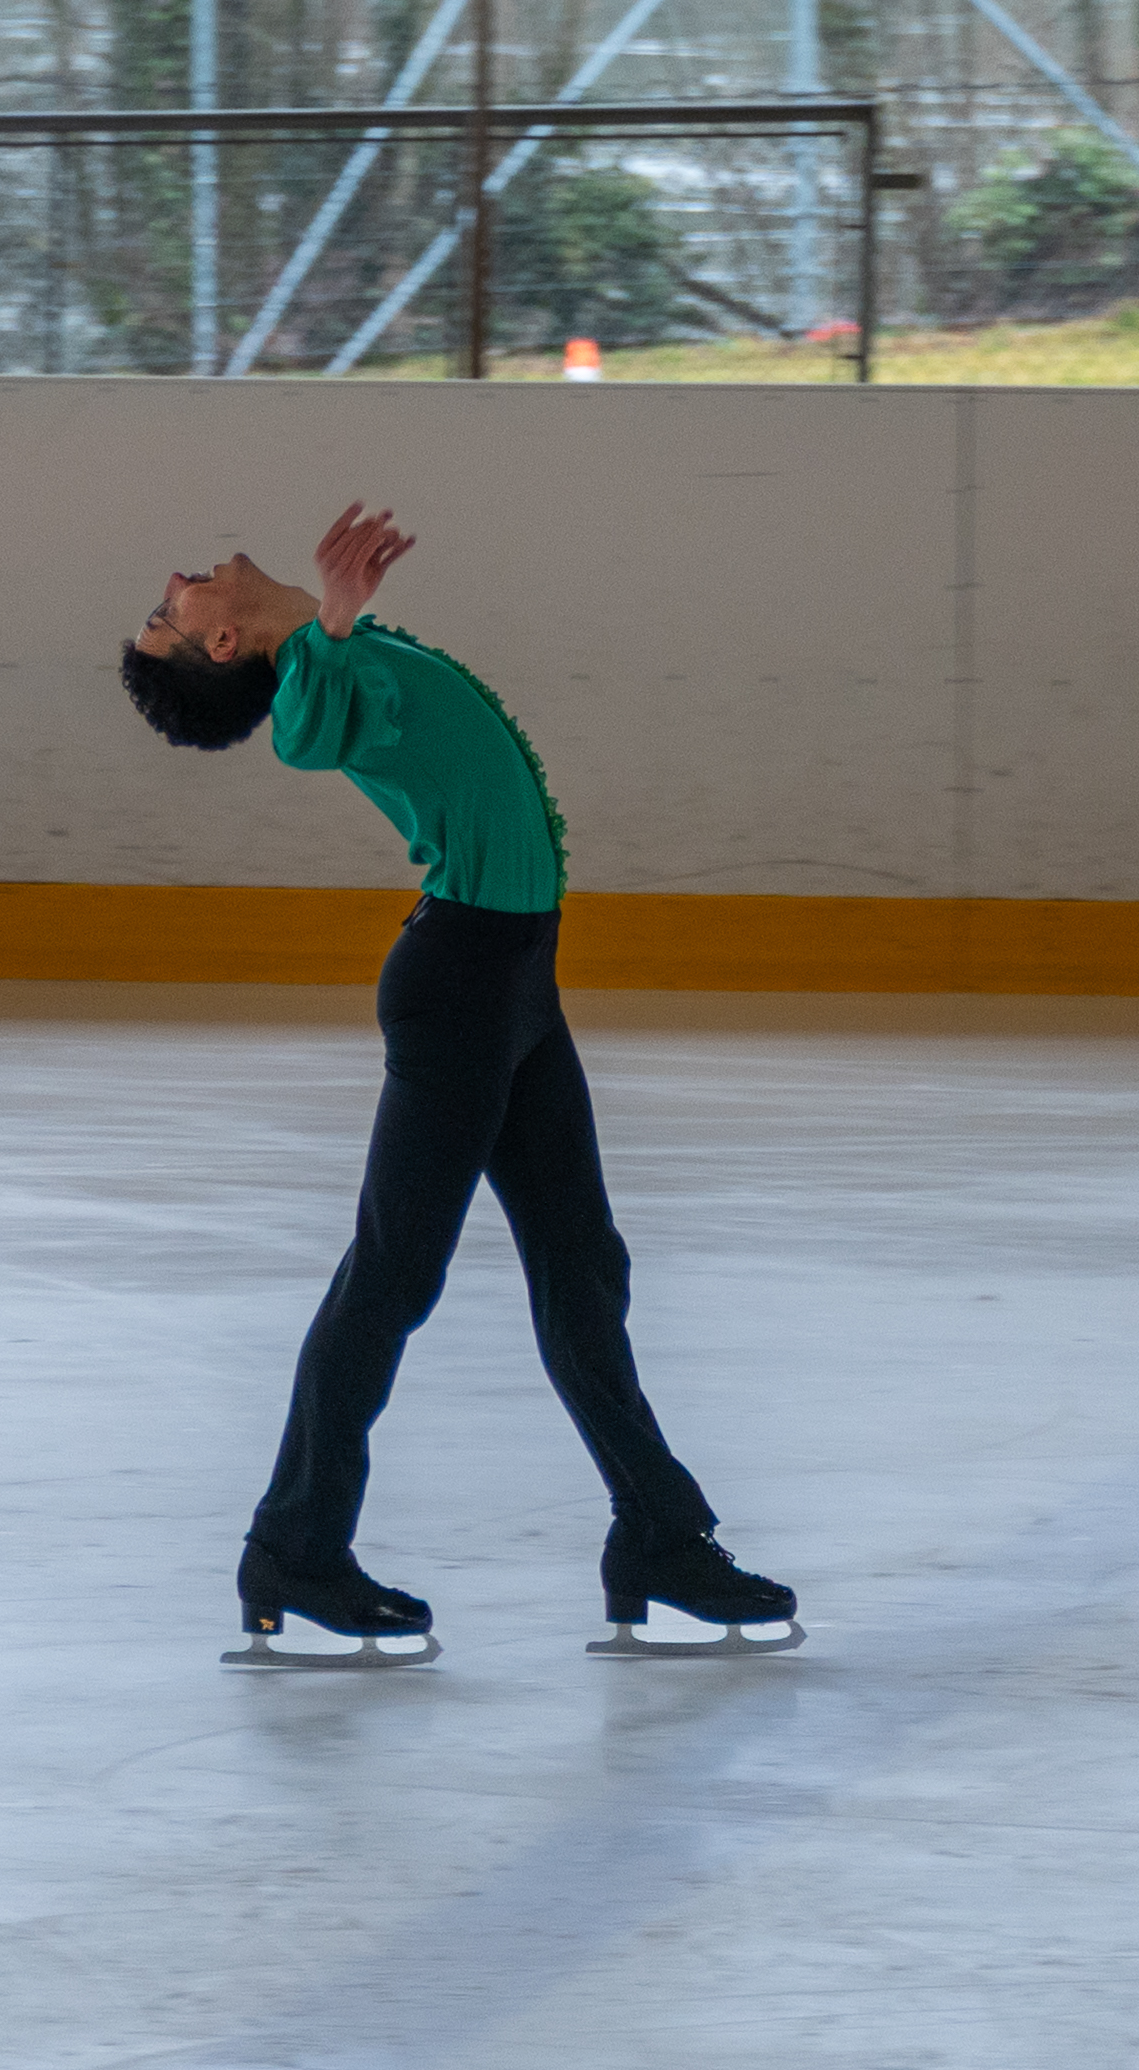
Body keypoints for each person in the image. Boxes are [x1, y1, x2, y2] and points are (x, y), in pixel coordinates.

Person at [118, 503, 796, 1658]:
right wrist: (335, 620)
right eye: (166, 608)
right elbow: (306, 733)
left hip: (512, 979)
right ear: (221, 643)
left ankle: (659, 1535)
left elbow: (337, 693)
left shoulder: (338, 653)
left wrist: (340, 621)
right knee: (391, 1274)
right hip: (462, 988)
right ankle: (295, 1544)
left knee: (583, 1268)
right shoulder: (315, 681)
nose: (179, 577)